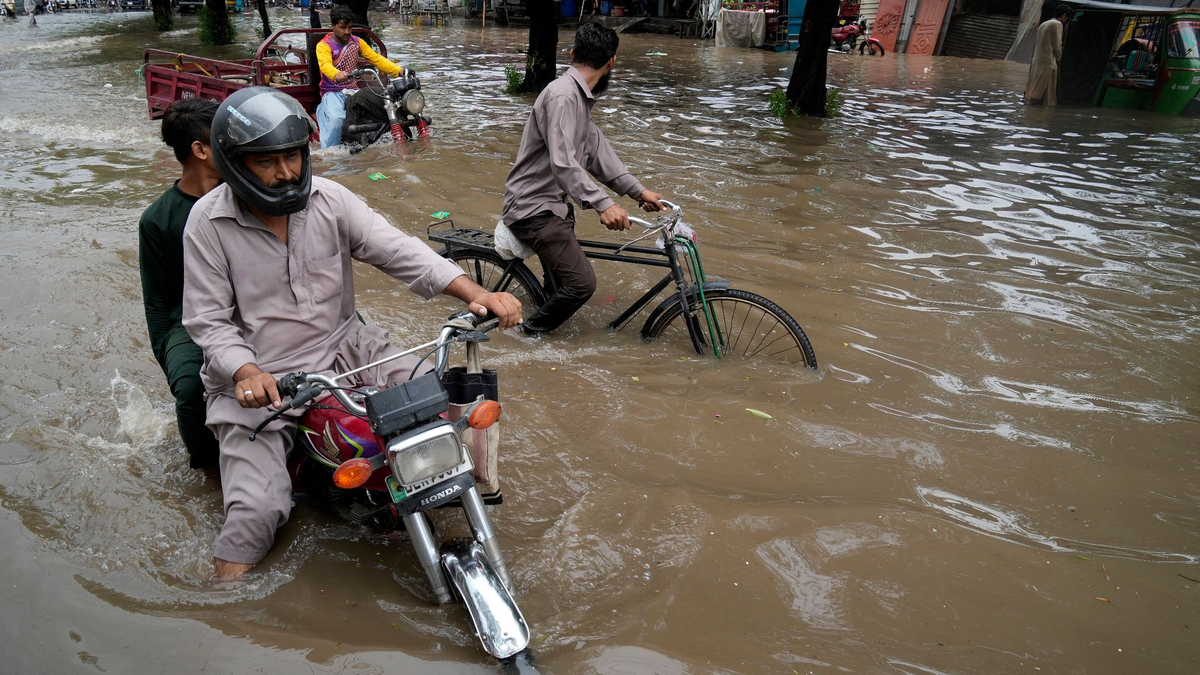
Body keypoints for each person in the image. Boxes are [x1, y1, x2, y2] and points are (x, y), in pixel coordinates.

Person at [182, 87, 522, 580]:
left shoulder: (332, 199)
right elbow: (208, 322)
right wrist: (247, 371)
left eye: (293, 157)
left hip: (348, 351)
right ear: (234, 163)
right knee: (256, 512)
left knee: (446, 415)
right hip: (262, 382)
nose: (286, 173)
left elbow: (399, 250)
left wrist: (474, 292)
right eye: (266, 162)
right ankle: (223, 607)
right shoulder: (206, 223)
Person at [501, 23, 664, 335]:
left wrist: (639, 191)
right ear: (611, 62)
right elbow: (563, 163)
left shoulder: (579, 100)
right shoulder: (562, 96)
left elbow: (599, 155)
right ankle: (523, 335)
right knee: (583, 284)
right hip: (534, 209)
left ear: (573, 53)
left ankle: (542, 329)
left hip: (554, 208)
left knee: (560, 289)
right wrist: (604, 205)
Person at [139, 98, 223, 473]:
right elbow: (158, 304)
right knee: (191, 388)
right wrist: (170, 361)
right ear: (200, 150)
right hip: (188, 321)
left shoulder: (248, 195)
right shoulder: (158, 220)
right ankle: (208, 469)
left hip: (251, 304)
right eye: (222, 138)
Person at [314, 5, 402, 149]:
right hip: (332, 92)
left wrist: (399, 71)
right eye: (343, 27)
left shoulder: (357, 42)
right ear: (332, 26)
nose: (347, 31)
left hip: (353, 91)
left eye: (350, 27)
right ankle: (330, 153)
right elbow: (325, 65)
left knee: (383, 108)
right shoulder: (324, 45)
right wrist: (336, 74)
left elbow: (377, 59)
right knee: (337, 119)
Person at [1025, 4, 1072, 106]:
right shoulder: (1057, 24)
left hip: (1037, 61)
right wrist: (1059, 57)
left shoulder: (1044, 23)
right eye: (1067, 18)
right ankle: (1045, 115)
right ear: (1064, 16)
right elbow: (1057, 46)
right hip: (1048, 62)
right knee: (1049, 96)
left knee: (1035, 89)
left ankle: (1031, 110)